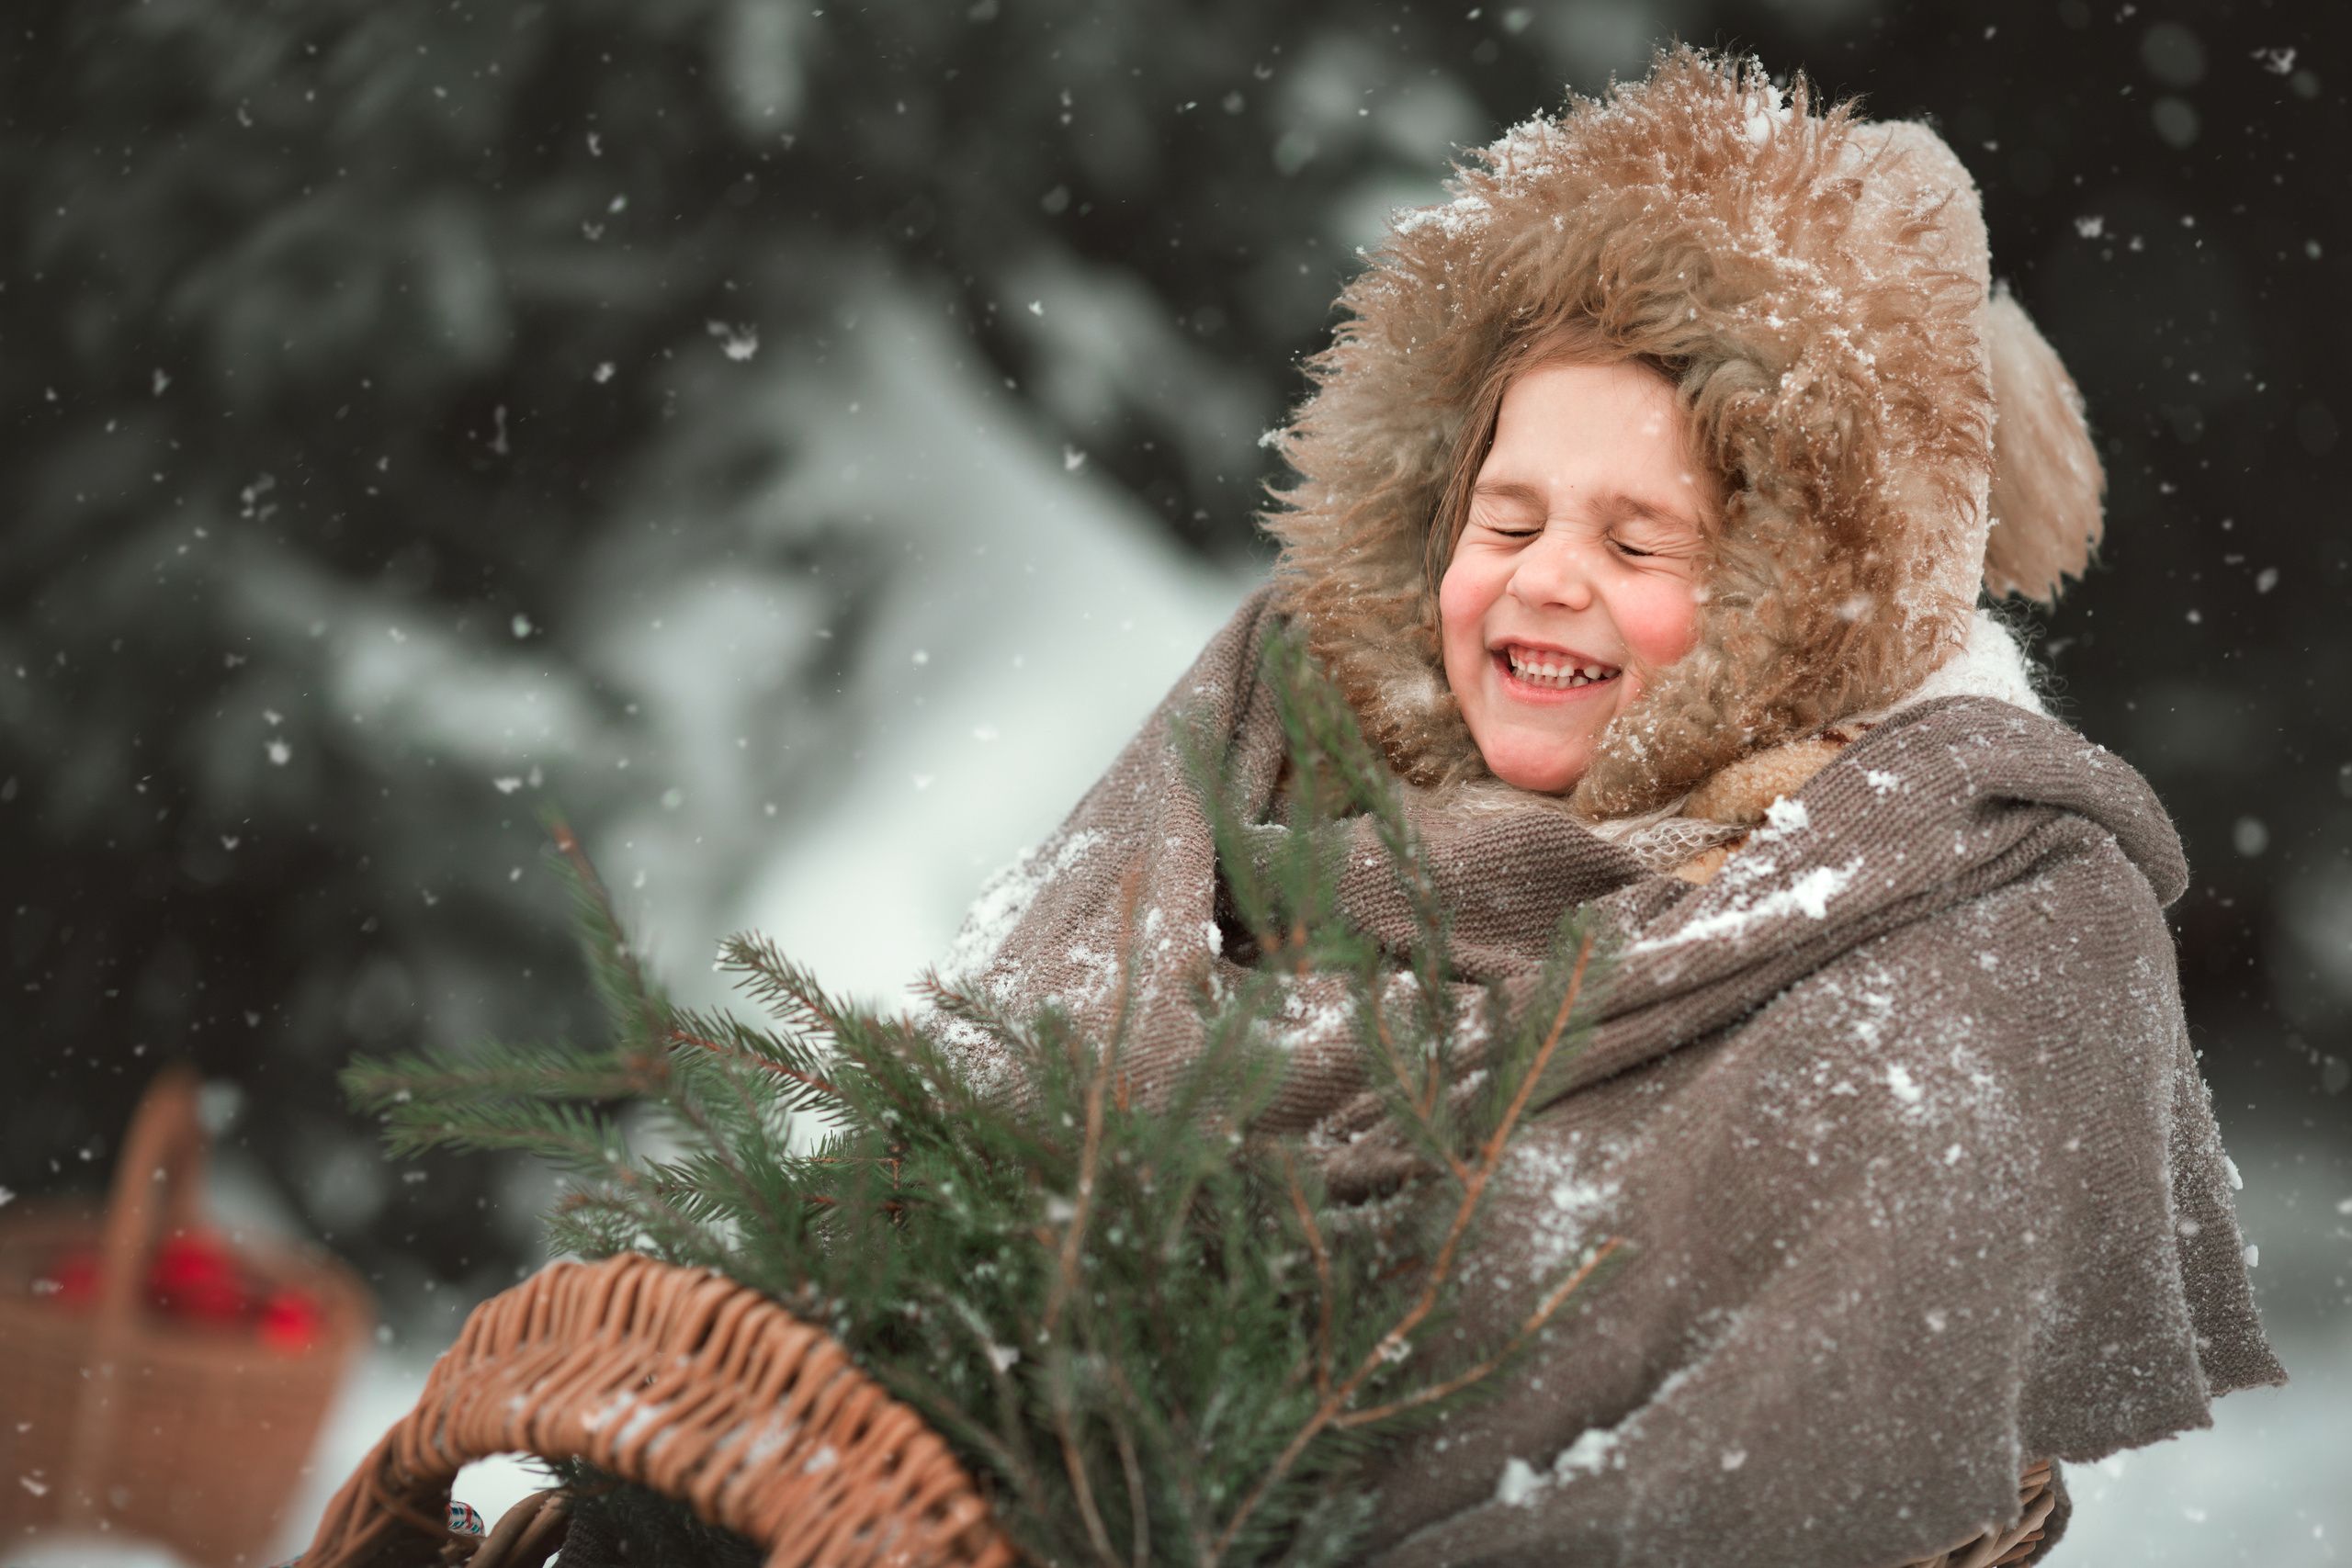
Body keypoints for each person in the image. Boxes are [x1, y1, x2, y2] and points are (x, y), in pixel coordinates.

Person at [944, 49, 2279, 1568]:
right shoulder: (1277, 764)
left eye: (1640, 547)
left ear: (1792, 610)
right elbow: (1008, 1070)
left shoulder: (1915, 895)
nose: (1544, 577)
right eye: (1502, 519)